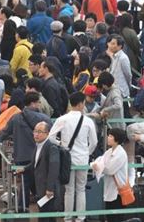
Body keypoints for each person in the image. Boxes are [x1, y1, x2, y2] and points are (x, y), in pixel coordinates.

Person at [0, 92, 52, 209]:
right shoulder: (44, 119)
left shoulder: (15, 118)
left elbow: (4, 134)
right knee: (41, 184)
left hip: (21, 157)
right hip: (39, 157)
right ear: (33, 103)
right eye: (39, 102)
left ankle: (22, 208)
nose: (40, 105)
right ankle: (45, 208)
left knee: (24, 184)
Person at [48, 92, 98, 222]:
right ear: (81, 103)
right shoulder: (87, 121)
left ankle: (68, 217)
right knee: (81, 189)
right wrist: (87, 152)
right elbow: (94, 142)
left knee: (69, 190)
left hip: (67, 159)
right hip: (82, 159)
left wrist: (62, 145)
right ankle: (81, 218)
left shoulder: (62, 119)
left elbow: (51, 137)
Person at [21, 121, 62, 221]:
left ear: (47, 133)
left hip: (48, 189)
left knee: (46, 217)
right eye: (35, 131)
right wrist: (24, 169)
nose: (36, 134)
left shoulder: (51, 147)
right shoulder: (38, 145)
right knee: (46, 216)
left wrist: (50, 188)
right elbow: (35, 163)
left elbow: (54, 169)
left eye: (39, 132)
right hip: (40, 188)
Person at [91, 128, 129, 222]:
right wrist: (96, 165)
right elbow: (100, 161)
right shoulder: (109, 152)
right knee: (110, 216)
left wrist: (99, 167)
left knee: (116, 217)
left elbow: (110, 169)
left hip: (118, 191)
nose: (108, 138)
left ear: (117, 138)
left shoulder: (121, 154)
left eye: (111, 136)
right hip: (110, 189)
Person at [106, 34, 132, 100]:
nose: (110, 46)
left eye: (113, 44)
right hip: (114, 89)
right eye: (110, 43)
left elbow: (128, 75)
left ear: (120, 46)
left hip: (122, 90)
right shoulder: (114, 56)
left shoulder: (123, 58)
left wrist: (128, 86)